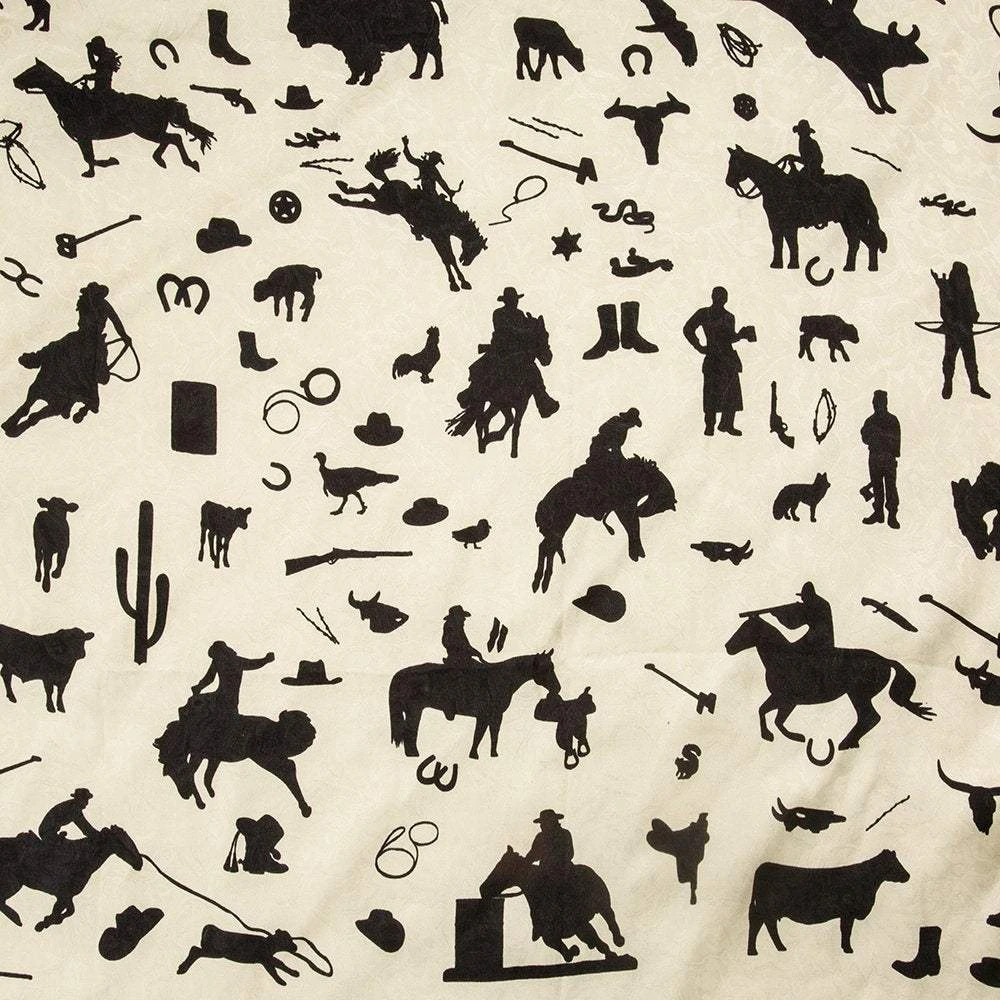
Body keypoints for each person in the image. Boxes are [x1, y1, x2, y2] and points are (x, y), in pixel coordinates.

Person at [457, 287, 559, 419]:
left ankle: (543, 401)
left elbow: (525, 328)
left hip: (517, 350)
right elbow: (505, 330)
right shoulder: (498, 313)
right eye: (513, 300)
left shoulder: (520, 314)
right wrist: (525, 332)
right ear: (506, 301)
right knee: (489, 369)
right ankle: (472, 393)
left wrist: (533, 325)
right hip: (502, 350)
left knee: (532, 369)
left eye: (516, 300)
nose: (515, 302)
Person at [682, 286, 756, 436]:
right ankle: (710, 426)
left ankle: (726, 424)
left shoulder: (729, 316)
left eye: (723, 296)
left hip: (727, 359)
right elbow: (688, 328)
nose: (721, 299)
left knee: (731, 393)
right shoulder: (704, 313)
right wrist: (698, 346)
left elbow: (729, 338)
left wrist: (741, 335)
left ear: (726, 299)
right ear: (713, 297)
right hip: (713, 358)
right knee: (711, 395)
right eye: (719, 295)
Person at [933, 262, 989, 399]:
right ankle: (948, 384)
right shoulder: (947, 289)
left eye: (964, 277)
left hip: (966, 331)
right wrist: (943, 289)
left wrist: (974, 316)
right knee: (949, 360)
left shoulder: (966, 290)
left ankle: (975, 386)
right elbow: (946, 312)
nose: (963, 280)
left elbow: (972, 307)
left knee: (970, 360)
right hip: (953, 332)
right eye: (960, 277)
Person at [190, 641, 275, 718]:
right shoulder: (235, 661)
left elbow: (209, 678)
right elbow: (252, 664)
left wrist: (198, 687)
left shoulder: (220, 661)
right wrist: (265, 660)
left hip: (224, 698)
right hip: (230, 699)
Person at [860, 390, 900, 528]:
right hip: (875, 457)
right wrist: (869, 433)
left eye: (878, 402)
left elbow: (896, 439)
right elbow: (865, 438)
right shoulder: (870, 421)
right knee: (877, 486)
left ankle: (892, 515)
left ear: (884, 403)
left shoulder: (892, 420)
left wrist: (881, 435)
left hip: (888, 458)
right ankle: (878, 513)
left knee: (890, 487)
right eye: (875, 402)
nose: (875, 405)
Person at [765, 582, 835, 654]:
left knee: (791, 651)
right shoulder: (821, 603)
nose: (802, 599)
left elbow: (792, 624)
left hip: (817, 641)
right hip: (821, 640)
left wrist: (778, 614)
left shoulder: (813, 606)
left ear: (807, 596)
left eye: (803, 598)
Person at [401, 135, 460, 201]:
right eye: (437, 161)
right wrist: (449, 192)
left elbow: (410, 158)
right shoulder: (429, 167)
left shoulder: (424, 165)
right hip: (430, 195)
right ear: (433, 159)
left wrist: (406, 146)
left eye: (437, 161)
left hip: (429, 194)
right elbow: (441, 182)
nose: (436, 162)